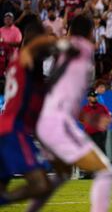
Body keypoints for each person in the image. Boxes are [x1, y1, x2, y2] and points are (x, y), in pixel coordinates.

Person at [36, 15, 112, 212]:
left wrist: (85, 117)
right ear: (90, 32)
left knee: (60, 175)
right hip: (58, 122)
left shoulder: (63, 55)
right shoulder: (83, 47)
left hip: (49, 119)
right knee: (106, 172)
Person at [0, 23, 62, 208]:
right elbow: (34, 46)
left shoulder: (32, 78)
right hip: (12, 131)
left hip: (9, 130)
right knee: (41, 185)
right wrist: (59, 42)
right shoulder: (23, 58)